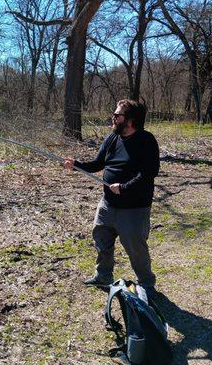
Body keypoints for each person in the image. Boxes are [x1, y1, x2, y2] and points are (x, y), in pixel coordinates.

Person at [63, 100, 160, 296]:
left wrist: (124, 188)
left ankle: (147, 283)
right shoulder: (112, 139)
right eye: (114, 115)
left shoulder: (146, 140)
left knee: (136, 248)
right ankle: (103, 276)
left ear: (130, 120)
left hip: (134, 208)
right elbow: (98, 163)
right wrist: (76, 165)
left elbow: (149, 173)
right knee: (102, 240)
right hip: (108, 204)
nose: (113, 118)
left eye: (117, 115)